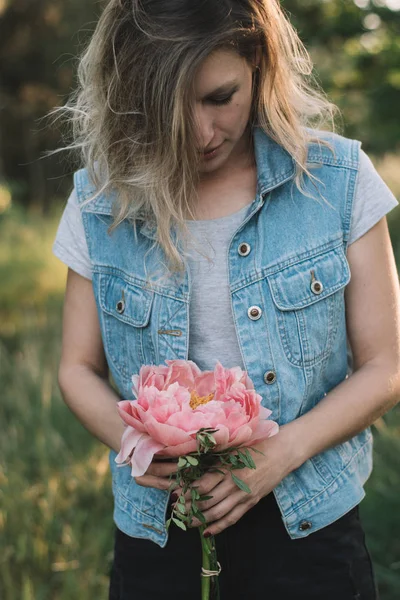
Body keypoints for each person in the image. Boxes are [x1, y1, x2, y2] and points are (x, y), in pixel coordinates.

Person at [52, 1, 400, 598]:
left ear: (258, 62)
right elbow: (76, 368)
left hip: (309, 528)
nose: (200, 133)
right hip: (157, 533)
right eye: (167, 106)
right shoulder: (100, 200)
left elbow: (387, 367)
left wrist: (276, 457)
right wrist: (136, 445)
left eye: (219, 97)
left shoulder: (336, 181)